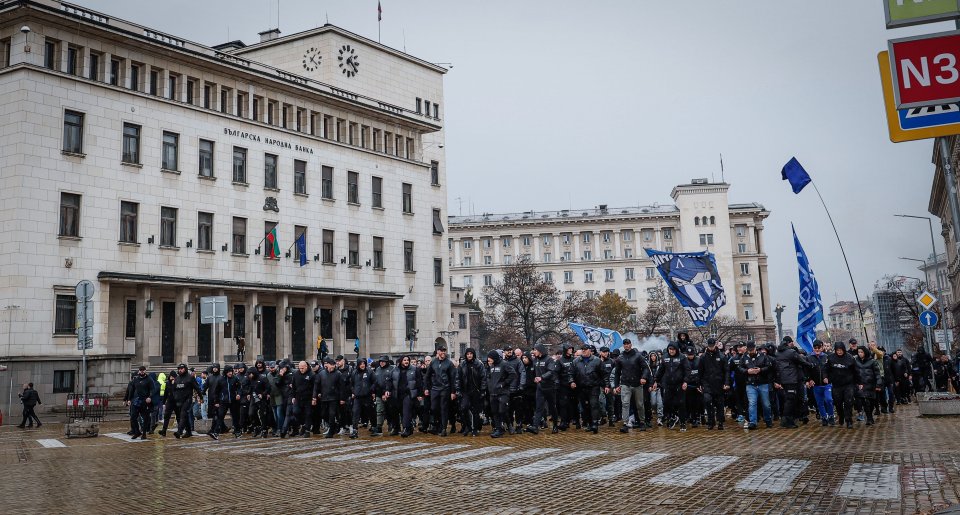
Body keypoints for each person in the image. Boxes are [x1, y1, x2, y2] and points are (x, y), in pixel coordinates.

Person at [611, 338, 649, 433]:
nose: (626, 345)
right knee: (625, 404)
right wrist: (616, 386)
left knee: (639, 404)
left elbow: (645, 368)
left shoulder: (638, 356)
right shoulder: (620, 358)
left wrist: (643, 377)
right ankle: (625, 423)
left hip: (637, 384)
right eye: (625, 344)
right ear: (623, 345)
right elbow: (617, 373)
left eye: (628, 344)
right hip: (625, 384)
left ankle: (642, 422)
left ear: (631, 344)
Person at [773, 336, 808, 429]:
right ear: (788, 343)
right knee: (790, 400)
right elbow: (803, 362)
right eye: (791, 342)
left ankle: (789, 419)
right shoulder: (791, 352)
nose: (793, 344)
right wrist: (811, 365)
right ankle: (786, 420)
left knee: (789, 400)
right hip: (791, 379)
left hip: (783, 379)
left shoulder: (777, 353)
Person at [424, 346, 458, 436]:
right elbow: (427, 376)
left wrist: (453, 392)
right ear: (438, 352)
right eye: (441, 351)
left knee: (444, 408)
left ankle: (443, 428)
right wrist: (426, 388)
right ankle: (437, 425)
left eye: (444, 351)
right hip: (435, 389)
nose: (443, 352)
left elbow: (453, 379)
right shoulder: (433, 362)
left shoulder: (449, 363)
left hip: (445, 389)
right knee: (434, 408)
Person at [572, 345, 606, 434]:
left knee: (594, 404)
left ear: (590, 351)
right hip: (581, 387)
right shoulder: (576, 361)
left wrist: (606, 385)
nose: (584, 351)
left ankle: (595, 424)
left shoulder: (597, 361)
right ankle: (590, 423)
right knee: (584, 407)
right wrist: (571, 381)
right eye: (582, 349)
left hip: (593, 386)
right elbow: (570, 373)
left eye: (585, 349)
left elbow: (604, 374)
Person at [655, 342, 689, 431]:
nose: (671, 351)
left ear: (676, 349)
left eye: (673, 349)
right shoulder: (665, 357)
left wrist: (685, 381)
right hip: (668, 384)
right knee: (666, 403)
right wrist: (656, 381)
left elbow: (687, 370)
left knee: (681, 404)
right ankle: (673, 417)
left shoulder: (682, 357)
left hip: (680, 384)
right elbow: (661, 370)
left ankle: (682, 423)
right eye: (670, 349)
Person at [739, 341, 773, 430]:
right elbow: (740, 368)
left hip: (762, 383)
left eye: (752, 349)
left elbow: (769, 367)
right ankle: (753, 422)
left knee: (766, 404)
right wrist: (747, 371)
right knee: (752, 403)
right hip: (750, 384)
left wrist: (760, 370)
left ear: (755, 348)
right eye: (749, 350)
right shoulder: (744, 357)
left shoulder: (763, 356)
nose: (751, 351)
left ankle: (768, 420)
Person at [528, 343, 559, 434]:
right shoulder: (535, 360)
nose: (534, 352)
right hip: (540, 388)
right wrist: (534, 378)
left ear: (540, 351)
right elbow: (533, 371)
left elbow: (551, 371)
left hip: (550, 387)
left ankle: (555, 426)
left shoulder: (549, 360)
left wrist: (542, 377)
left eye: (535, 350)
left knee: (552, 407)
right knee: (538, 408)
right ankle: (535, 427)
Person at [699, 338, 729, 430]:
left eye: (712, 346)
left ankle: (720, 422)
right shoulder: (703, 357)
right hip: (707, 383)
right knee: (708, 401)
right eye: (709, 346)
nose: (711, 348)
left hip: (719, 383)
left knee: (720, 403)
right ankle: (711, 421)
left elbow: (726, 371)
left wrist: (726, 382)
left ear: (715, 345)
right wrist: (699, 384)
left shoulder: (722, 356)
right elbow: (700, 371)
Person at [826, 342, 858, 429]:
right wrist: (826, 377)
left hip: (848, 384)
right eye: (837, 350)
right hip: (836, 385)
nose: (839, 352)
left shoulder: (850, 358)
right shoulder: (830, 358)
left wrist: (858, 383)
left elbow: (855, 371)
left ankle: (849, 420)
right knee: (838, 402)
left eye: (841, 350)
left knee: (848, 402)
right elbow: (826, 369)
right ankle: (841, 415)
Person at [486, 350, 517, 438]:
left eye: (490, 358)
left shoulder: (504, 364)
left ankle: (508, 425)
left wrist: (504, 383)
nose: (489, 360)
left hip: (503, 392)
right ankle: (499, 429)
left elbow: (513, 374)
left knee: (502, 410)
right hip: (493, 393)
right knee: (495, 412)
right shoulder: (491, 366)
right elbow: (490, 377)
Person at [392, 355, 423, 438]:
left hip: (409, 393)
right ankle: (409, 428)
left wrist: (420, 394)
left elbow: (419, 382)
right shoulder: (395, 370)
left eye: (407, 360)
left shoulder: (414, 369)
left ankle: (405, 428)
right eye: (404, 360)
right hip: (398, 394)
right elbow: (391, 381)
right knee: (402, 412)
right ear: (401, 361)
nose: (406, 361)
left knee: (406, 411)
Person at [283, 361, 314, 438]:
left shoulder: (311, 374)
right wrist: (293, 396)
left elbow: (315, 387)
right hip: (298, 397)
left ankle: (307, 430)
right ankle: (303, 424)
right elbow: (293, 386)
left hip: (308, 397)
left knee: (308, 414)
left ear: (306, 367)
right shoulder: (296, 374)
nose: (301, 370)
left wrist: (314, 397)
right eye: (300, 368)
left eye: (303, 368)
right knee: (295, 412)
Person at [458, 348, 485, 436]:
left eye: (471, 354)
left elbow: (483, 377)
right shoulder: (462, 364)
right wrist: (458, 389)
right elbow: (458, 378)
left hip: (476, 390)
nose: (469, 355)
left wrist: (482, 390)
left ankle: (475, 428)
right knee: (464, 408)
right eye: (468, 354)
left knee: (475, 410)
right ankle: (467, 426)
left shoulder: (478, 364)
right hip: (465, 390)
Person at [314, 357, 344, 438]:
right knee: (323, 414)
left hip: (334, 398)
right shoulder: (322, 373)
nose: (330, 367)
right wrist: (315, 396)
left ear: (334, 366)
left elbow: (341, 387)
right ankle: (334, 425)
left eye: (332, 365)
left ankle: (331, 432)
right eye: (329, 365)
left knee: (332, 414)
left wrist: (342, 398)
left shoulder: (338, 374)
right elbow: (317, 385)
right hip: (324, 397)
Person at [807, 340, 835, 427]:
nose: (817, 349)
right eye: (815, 348)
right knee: (819, 403)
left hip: (827, 384)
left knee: (829, 400)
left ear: (822, 348)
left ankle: (831, 416)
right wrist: (809, 380)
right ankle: (824, 418)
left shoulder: (827, 357)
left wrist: (828, 378)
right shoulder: (809, 358)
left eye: (819, 348)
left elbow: (831, 370)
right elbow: (807, 371)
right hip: (816, 385)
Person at [854, 346, 882, 426]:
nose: (860, 354)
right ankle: (869, 418)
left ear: (865, 352)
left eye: (861, 352)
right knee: (864, 402)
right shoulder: (856, 361)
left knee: (872, 402)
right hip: (860, 385)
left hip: (871, 385)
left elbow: (877, 374)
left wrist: (878, 384)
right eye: (859, 352)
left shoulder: (872, 362)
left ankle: (870, 416)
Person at [127, 366, 155, 440]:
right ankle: (137, 432)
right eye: (140, 370)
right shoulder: (136, 379)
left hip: (145, 401)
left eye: (143, 370)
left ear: (145, 371)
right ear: (139, 371)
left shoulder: (149, 380)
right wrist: (129, 399)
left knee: (145, 417)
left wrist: (150, 397)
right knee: (133, 417)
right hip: (136, 401)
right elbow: (131, 389)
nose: (142, 372)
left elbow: (153, 390)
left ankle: (144, 433)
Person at [349, 358, 373, 439]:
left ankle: (374, 427)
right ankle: (355, 430)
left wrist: (371, 390)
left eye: (364, 363)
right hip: (357, 397)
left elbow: (374, 382)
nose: (362, 365)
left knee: (370, 412)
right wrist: (353, 391)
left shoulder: (369, 371)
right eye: (361, 364)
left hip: (367, 396)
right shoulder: (354, 372)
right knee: (355, 413)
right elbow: (351, 383)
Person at [371, 355, 394, 436]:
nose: (382, 363)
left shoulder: (392, 369)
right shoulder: (377, 369)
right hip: (379, 393)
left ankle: (391, 424)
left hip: (389, 394)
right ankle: (379, 427)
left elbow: (391, 382)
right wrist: (373, 390)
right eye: (380, 361)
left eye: (383, 361)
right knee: (379, 411)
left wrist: (387, 392)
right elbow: (376, 382)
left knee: (390, 411)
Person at [558, 343, 578, 430]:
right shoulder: (560, 360)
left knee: (574, 404)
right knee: (563, 404)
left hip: (573, 385)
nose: (571, 350)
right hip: (563, 385)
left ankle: (576, 420)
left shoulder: (574, 360)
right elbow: (557, 373)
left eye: (571, 348)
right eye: (569, 348)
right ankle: (564, 421)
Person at [682, 345, 702, 429]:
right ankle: (691, 417)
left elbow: (701, 372)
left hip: (697, 385)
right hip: (688, 385)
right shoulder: (684, 361)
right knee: (689, 402)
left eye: (691, 354)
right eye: (688, 354)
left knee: (698, 403)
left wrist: (700, 384)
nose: (690, 356)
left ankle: (697, 417)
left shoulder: (698, 360)